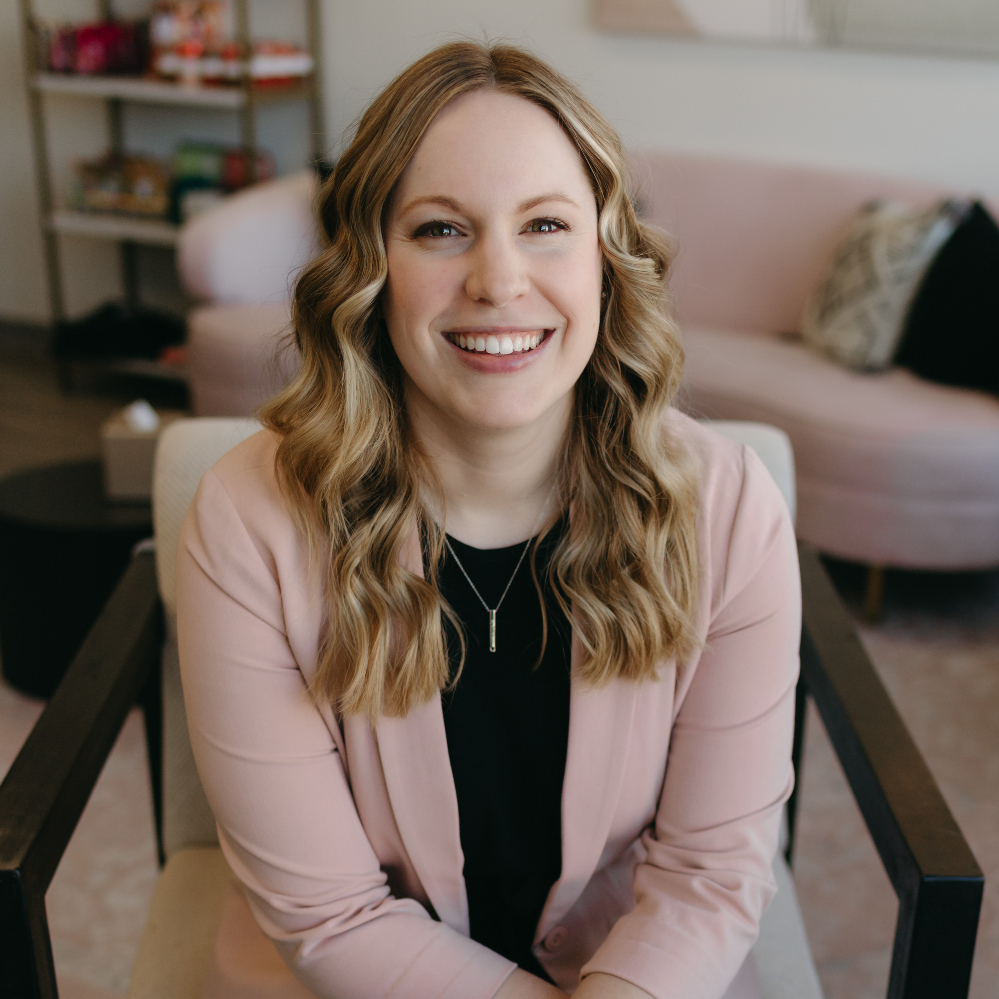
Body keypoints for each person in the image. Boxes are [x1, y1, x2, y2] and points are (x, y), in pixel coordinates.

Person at [177, 41, 800, 999]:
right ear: (369, 266)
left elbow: (708, 874)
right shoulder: (248, 519)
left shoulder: (729, 511)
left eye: (545, 224)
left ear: (605, 258)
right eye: (439, 229)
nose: (499, 281)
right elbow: (331, 914)